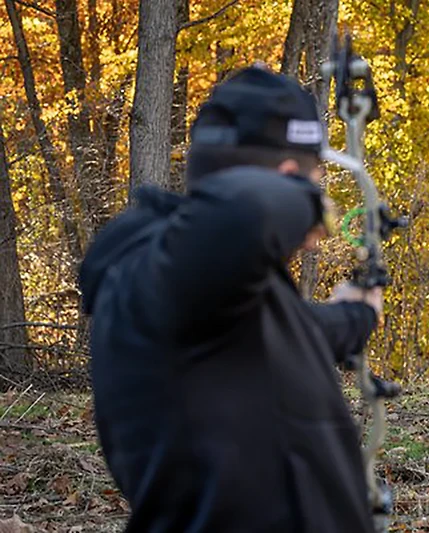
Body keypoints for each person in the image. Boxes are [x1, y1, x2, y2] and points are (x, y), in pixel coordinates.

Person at [79, 66, 381, 532]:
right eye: (314, 181)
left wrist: (356, 315)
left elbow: (291, 335)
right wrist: (308, 200)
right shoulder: (158, 270)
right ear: (285, 177)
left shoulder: (211, 293)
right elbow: (252, 211)